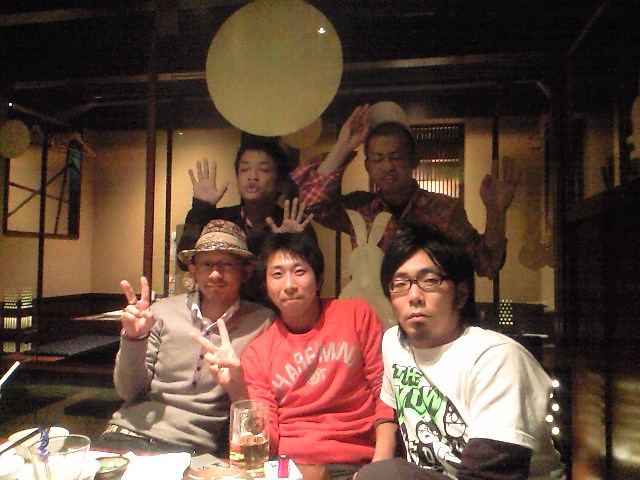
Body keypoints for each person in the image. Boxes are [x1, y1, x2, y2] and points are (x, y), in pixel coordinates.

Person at [356, 222, 565, 480]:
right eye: (400, 284)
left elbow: (490, 476)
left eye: (429, 281)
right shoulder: (394, 344)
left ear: (461, 294)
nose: (414, 295)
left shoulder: (496, 358)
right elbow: (389, 410)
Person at [192, 231, 396, 479]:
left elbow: (386, 394)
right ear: (265, 286)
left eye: (299, 272)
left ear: (318, 279)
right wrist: (238, 390)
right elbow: (266, 441)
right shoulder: (258, 352)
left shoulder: (356, 315)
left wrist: (379, 466)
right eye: (277, 275)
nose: (289, 285)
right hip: (291, 469)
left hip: (358, 465)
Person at [93, 220, 275, 455]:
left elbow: (258, 404)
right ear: (193, 271)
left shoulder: (262, 323)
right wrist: (134, 339)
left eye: (227, 265)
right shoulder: (161, 312)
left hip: (188, 449)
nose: (215, 274)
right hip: (126, 433)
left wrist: (236, 383)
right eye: (206, 264)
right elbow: (128, 392)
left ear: (245, 272)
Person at [291, 102, 522, 279]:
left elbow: (486, 264)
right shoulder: (360, 209)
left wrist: (496, 212)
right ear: (368, 166)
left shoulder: (443, 208)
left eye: (396, 156)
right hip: (372, 319)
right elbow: (312, 203)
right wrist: (344, 145)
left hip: (426, 318)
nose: (387, 166)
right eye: (378, 159)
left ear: (414, 160)